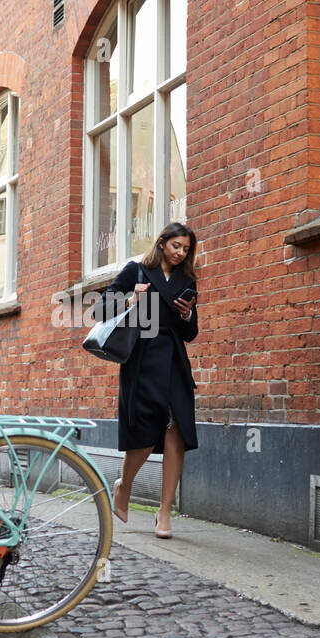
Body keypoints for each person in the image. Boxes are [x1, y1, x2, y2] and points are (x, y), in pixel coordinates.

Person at [101, 222, 199, 538]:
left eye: (186, 249)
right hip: (141, 360)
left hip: (173, 360)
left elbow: (191, 334)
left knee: (176, 430)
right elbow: (100, 309)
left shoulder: (187, 280)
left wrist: (186, 315)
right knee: (144, 432)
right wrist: (130, 301)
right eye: (176, 247)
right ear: (161, 243)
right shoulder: (136, 270)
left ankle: (164, 512)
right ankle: (124, 485)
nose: (181, 253)